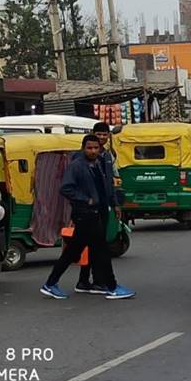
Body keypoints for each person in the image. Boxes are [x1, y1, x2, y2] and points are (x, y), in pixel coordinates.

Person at [41, 135, 136, 300]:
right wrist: (85, 199)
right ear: (83, 148)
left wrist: (113, 203)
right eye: (89, 148)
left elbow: (106, 186)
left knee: (72, 252)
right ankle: (111, 286)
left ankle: (50, 283)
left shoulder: (98, 163)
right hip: (86, 214)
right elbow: (66, 188)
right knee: (102, 250)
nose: (92, 151)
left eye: (95, 148)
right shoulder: (77, 166)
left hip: (95, 213)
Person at [74, 122, 123, 294]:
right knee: (94, 245)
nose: (102, 138)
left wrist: (115, 204)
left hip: (103, 206)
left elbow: (110, 182)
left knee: (93, 245)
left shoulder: (108, 156)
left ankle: (86, 281)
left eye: (105, 135)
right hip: (88, 209)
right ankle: (96, 281)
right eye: (99, 134)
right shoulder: (81, 157)